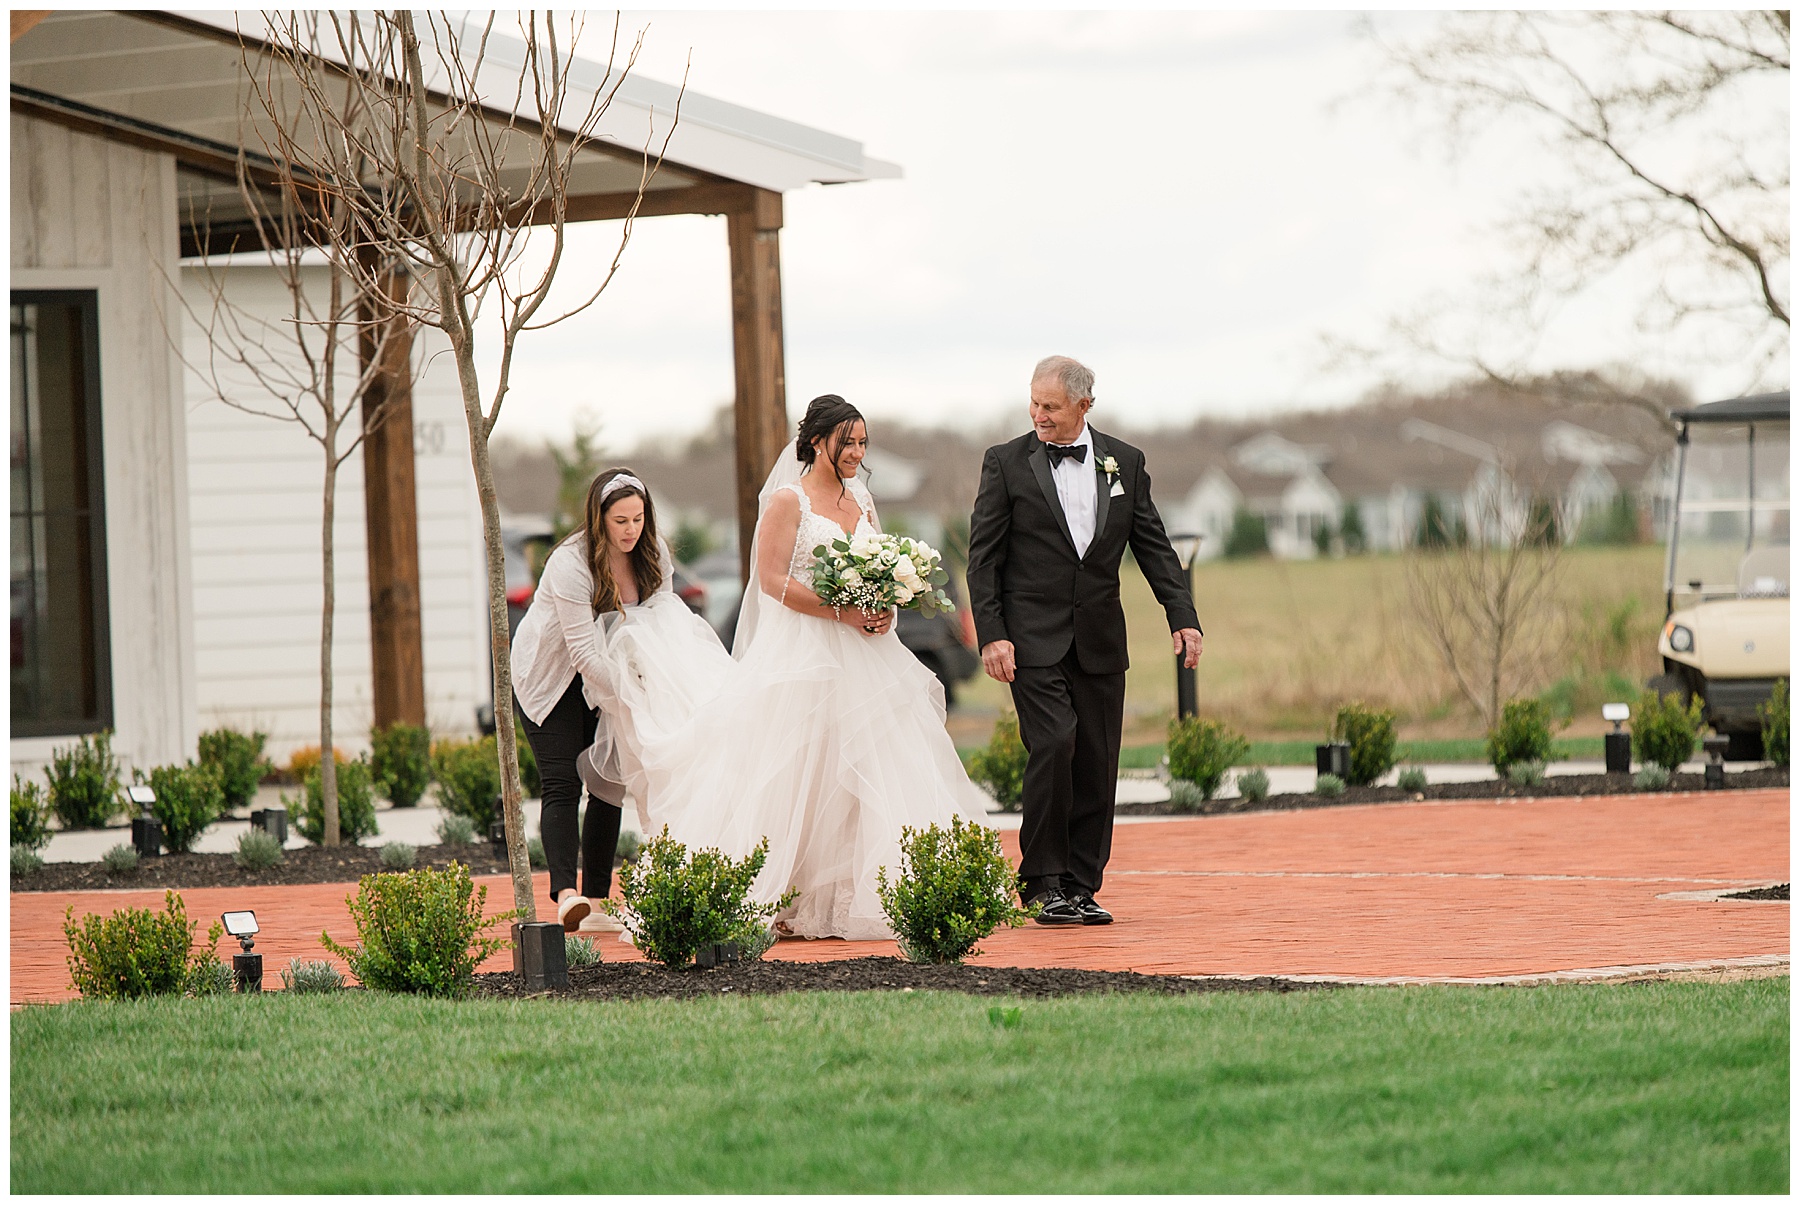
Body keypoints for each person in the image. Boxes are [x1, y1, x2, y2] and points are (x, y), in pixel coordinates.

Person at [585, 394, 991, 940]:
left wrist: (884, 607)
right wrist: (840, 611)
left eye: (863, 442)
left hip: (867, 657)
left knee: (869, 765)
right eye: (847, 442)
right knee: (793, 768)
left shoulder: (864, 500)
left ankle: (867, 893)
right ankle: (770, 889)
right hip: (804, 653)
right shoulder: (787, 500)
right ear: (817, 441)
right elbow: (772, 581)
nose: (857, 452)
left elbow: (879, 569)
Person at [965, 355, 1203, 926]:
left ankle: (1080, 883)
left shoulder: (1127, 461)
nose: (1038, 414)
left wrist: (1182, 613)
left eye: (1050, 406)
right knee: (1055, 745)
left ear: (1083, 405)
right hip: (1030, 641)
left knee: (1098, 760)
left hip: (1098, 639)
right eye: (1034, 402)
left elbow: (1152, 544)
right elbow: (983, 558)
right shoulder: (1005, 463)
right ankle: (1042, 881)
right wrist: (992, 635)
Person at [510, 468, 676, 932]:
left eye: (638, 519)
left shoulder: (654, 556)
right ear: (598, 518)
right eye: (619, 520)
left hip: (614, 678)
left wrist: (647, 683)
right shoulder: (570, 563)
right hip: (552, 679)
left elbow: (659, 624)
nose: (630, 530)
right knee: (563, 782)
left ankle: (597, 901)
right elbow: (582, 651)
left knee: (609, 782)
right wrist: (629, 694)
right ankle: (566, 896)